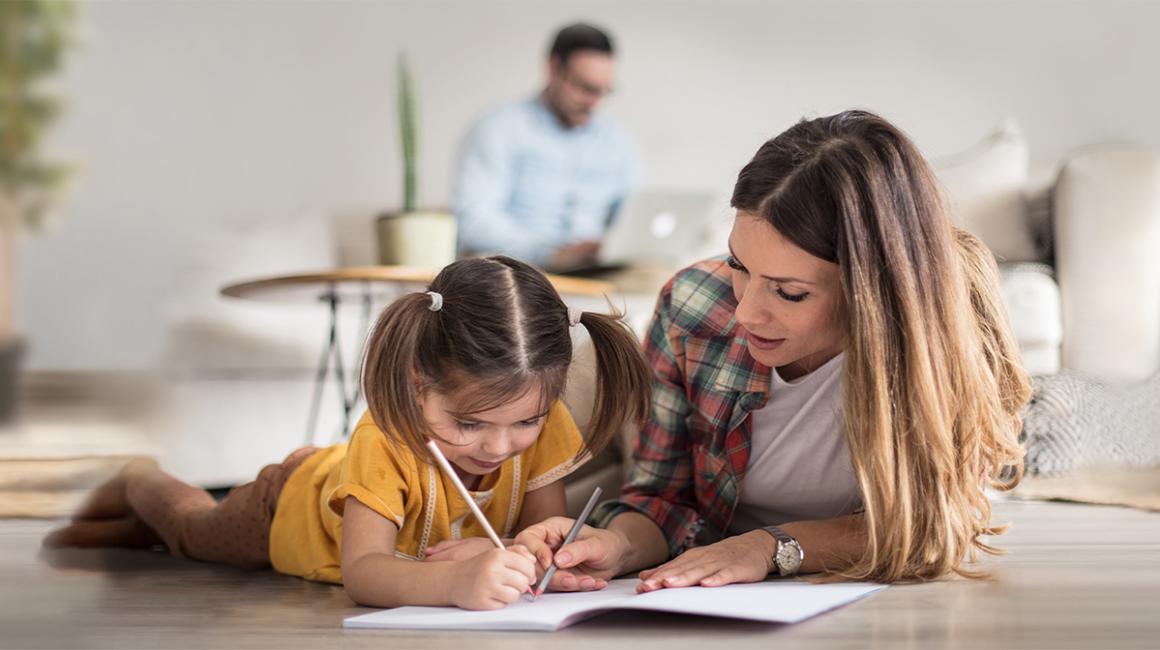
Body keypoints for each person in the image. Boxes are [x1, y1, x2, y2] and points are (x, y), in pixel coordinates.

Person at [515, 110, 1032, 590]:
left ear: (872, 289)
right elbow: (663, 497)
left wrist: (772, 547)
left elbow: (936, 525)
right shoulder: (695, 304)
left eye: (789, 292)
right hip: (719, 584)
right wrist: (619, 545)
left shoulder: (949, 323)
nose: (745, 314)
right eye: (740, 266)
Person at [44, 256, 651, 610]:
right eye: (469, 423)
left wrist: (525, 552)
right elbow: (364, 571)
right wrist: (457, 578)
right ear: (418, 384)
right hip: (287, 507)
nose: (498, 447)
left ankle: (117, 530)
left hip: (339, 485)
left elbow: (526, 534)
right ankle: (136, 476)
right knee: (189, 531)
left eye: (526, 421)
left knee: (146, 545)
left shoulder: (543, 425)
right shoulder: (385, 438)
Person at [453, 22, 642, 271]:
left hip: (596, 271)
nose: (594, 103)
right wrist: (549, 253)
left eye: (603, 91)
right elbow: (473, 222)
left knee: (658, 279)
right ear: (553, 68)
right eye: (585, 88)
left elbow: (632, 214)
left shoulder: (616, 140)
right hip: (521, 270)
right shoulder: (499, 128)